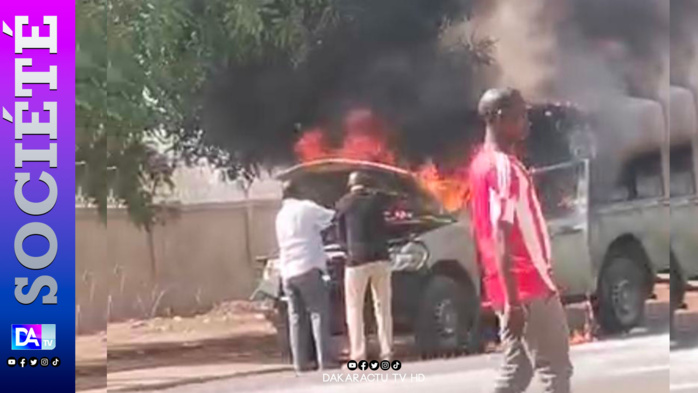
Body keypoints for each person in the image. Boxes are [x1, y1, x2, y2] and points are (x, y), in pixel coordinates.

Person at [467, 88, 573, 393]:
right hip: (526, 288)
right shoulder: (502, 167)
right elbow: (501, 232)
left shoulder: (480, 164)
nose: (527, 121)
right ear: (501, 119)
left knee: (517, 372)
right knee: (555, 372)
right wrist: (514, 301)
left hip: (510, 286)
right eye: (520, 115)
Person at [275, 180, 338, 373]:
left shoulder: (280, 216)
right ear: (299, 191)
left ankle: (300, 363)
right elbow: (333, 218)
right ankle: (325, 361)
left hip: (287, 272)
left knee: (296, 318)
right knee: (318, 313)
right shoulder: (306, 208)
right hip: (308, 268)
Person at [336, 171, 394, 363]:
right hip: (381, 260)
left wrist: (349, 251)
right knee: (383, 307)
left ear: (349, 185)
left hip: (356, 262)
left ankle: (359, 355)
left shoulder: (344, 204)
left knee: (354, 309)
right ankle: (386, 352)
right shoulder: (376, 201)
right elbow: (387, 226)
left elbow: (340, 237)